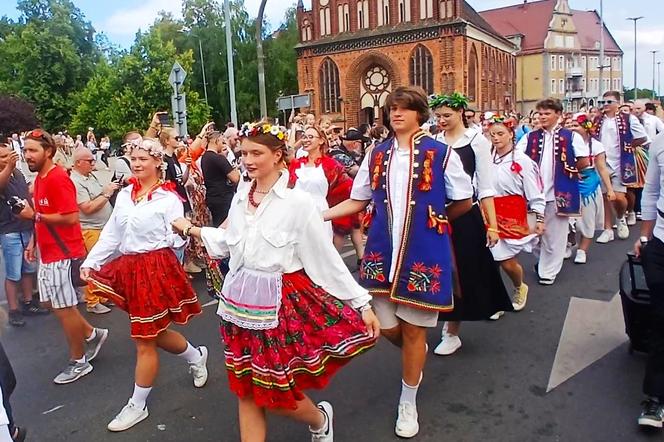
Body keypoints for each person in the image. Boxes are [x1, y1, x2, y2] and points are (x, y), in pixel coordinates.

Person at [172, 121, 379, 442]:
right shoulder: (243, 196)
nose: (248, 160)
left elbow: (323, 260)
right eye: (244, 153)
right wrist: (191, 229)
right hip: (239, 307)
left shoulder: (299, 204)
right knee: (246, 391)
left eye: (257, 153)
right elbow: (230, 242)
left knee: (276, 392)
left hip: (280, 307)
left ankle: (320, 420)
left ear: (278, 155)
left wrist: (361, 302)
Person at [325, 86, 474, 438]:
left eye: (404, 108)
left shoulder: (442, 153)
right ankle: (415, 352)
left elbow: (464, 200)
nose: (396, 114)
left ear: (419, 113)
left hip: (424, 253)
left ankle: (408, 400)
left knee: (413, 329)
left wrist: (435, 222)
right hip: (381, 254)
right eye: (392, 108)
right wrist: (317, 216)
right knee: (386, 328)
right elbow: (357, 200)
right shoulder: (377, 154)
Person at [81, 138, 207, 432]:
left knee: (144, 339)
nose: (136, 164)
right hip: (131, 269)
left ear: (157, 163)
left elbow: (177, 237)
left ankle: (137, 405)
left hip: (157, 269)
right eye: (133, 159)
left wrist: (181, 233)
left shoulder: (169, 198)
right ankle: (196, 355)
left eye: (143, 159)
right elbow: (112, 234)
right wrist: (92, 262)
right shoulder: (125, 195)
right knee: (153, 332)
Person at [17, 129, 107, 384]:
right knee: (52, 305)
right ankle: (92, 334)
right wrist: (34, 241)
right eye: (25, 151)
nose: (27, 156)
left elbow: (70, 217)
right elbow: (43, 214)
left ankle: (79, 361)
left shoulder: (57, 178)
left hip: (63, 255)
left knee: (64, 308)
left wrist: (34, 217)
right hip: (48, 252)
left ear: (49, 151)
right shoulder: (40, 179)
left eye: (32, 150)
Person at [429, 92, 510, 353]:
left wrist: (493, 225)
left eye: (446, 116)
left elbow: (485, 187)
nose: (441, 120)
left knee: (462, 271)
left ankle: (452, 330)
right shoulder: (434, 140)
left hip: (464, 213)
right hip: (439, 212)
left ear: (461, 113)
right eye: (438, 116)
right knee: (440, 268)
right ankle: (440, 315)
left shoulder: (476, 141)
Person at [516, 98, 590, 285]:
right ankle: (543, 262)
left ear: (558, 115)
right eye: (540, 113)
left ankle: (548, 271)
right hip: (533, 195)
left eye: (547, 113)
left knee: (555, 235)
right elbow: (516, 159)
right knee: (533, 233)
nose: (542, 117)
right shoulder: (529, 137)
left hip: (560, 194)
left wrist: (569, 173)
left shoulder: (571, 136)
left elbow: (583, 161)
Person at [486, 116, 545, 312]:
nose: (496, 138)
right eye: (492, 134)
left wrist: (539, 217)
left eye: (500, 133)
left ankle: (520, 286)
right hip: (487, 213)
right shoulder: (486, 158)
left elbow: (535, 193)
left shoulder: (523, 162)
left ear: (511, 134)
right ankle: (496, 301)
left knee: (506, 261)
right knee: (488, 261)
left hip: (510, 214)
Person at [634, 131, 664, 428]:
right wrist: (644, 235)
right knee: (661, 319)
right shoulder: (661, 140)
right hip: (661, 242)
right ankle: (656, 398)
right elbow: (652, 190)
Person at [0, 144, 48, 327]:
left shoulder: (18, 174)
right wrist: (9, 167)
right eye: (3, 156)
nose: (7, 159)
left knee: (28, 268)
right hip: (9, 230)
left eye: (8, 155)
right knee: (13, 272)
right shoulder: (7, 173)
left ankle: (28, 302)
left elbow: (27, 193)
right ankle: (13, 310)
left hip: (26, 226)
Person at [594, 91, 649, 242]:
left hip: (620, 163)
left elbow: (643, 137)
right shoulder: (598, 120)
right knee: (606, 197)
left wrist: (629, 146)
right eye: (602, 102)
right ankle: (607, 229)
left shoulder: (628, 119)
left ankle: (620, 216)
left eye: (609, 102)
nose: (605, 105)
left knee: (619, 197)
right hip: (602, 162)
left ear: (617, 103)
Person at [70, 147, 119, 314]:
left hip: (101, 227)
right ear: (78, 163)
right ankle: (92, 301)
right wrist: (106, 194)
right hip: (90, 229)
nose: (93, 163)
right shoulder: (76, 182)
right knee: (92, 265)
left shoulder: (89, 176)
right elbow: (87, 207)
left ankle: (103, 295)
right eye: (90, 161)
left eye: (93, 160)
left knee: (103, 266)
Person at [288, 125, 355, 246]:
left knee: (318, 249)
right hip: (297, 212)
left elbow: (347, 188)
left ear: (321, 141)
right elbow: (287, 186)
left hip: (320, 211)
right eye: (304, 137)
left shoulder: (330, 165)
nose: (306, 140)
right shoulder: (296, 164)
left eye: (310, 137)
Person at [568, 113, 615, 264]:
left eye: (575, 126)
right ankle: (569, 243)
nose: (572, 129)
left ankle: (582, 250)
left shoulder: (596, 145)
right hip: (568, 183)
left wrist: (609, 189)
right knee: (567, 219)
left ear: (586, 127)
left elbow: (602, 168)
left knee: (586, 221)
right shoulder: (564, 143)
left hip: (588, 184)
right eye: (570, 125)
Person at [199, 130, 240, 226]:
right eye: (222, 142)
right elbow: (236, 178)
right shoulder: (219, 158)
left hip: (212, 197)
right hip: (223, 198)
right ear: (216, 141)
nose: (224, 145)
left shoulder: (205, 157)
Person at [159, 128, 191, 214]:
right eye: (176, 138)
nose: (179, 140)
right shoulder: (163, 160)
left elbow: (181, 181)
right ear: (167, 141)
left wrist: (188, 167)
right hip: (173, 203)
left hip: (182, 199)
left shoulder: (173, 156)